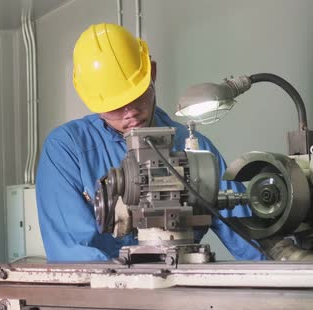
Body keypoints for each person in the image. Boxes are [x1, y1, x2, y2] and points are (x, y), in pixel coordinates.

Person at [36, 23, 266, 262]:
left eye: (137, 97)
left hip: (184, 287)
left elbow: (250, 239)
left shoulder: (194, 148)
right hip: (107, 294)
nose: (130, 113)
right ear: (94, 104)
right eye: (115, 106)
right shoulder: (67, 150)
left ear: (152, 74)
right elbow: (74, 256)